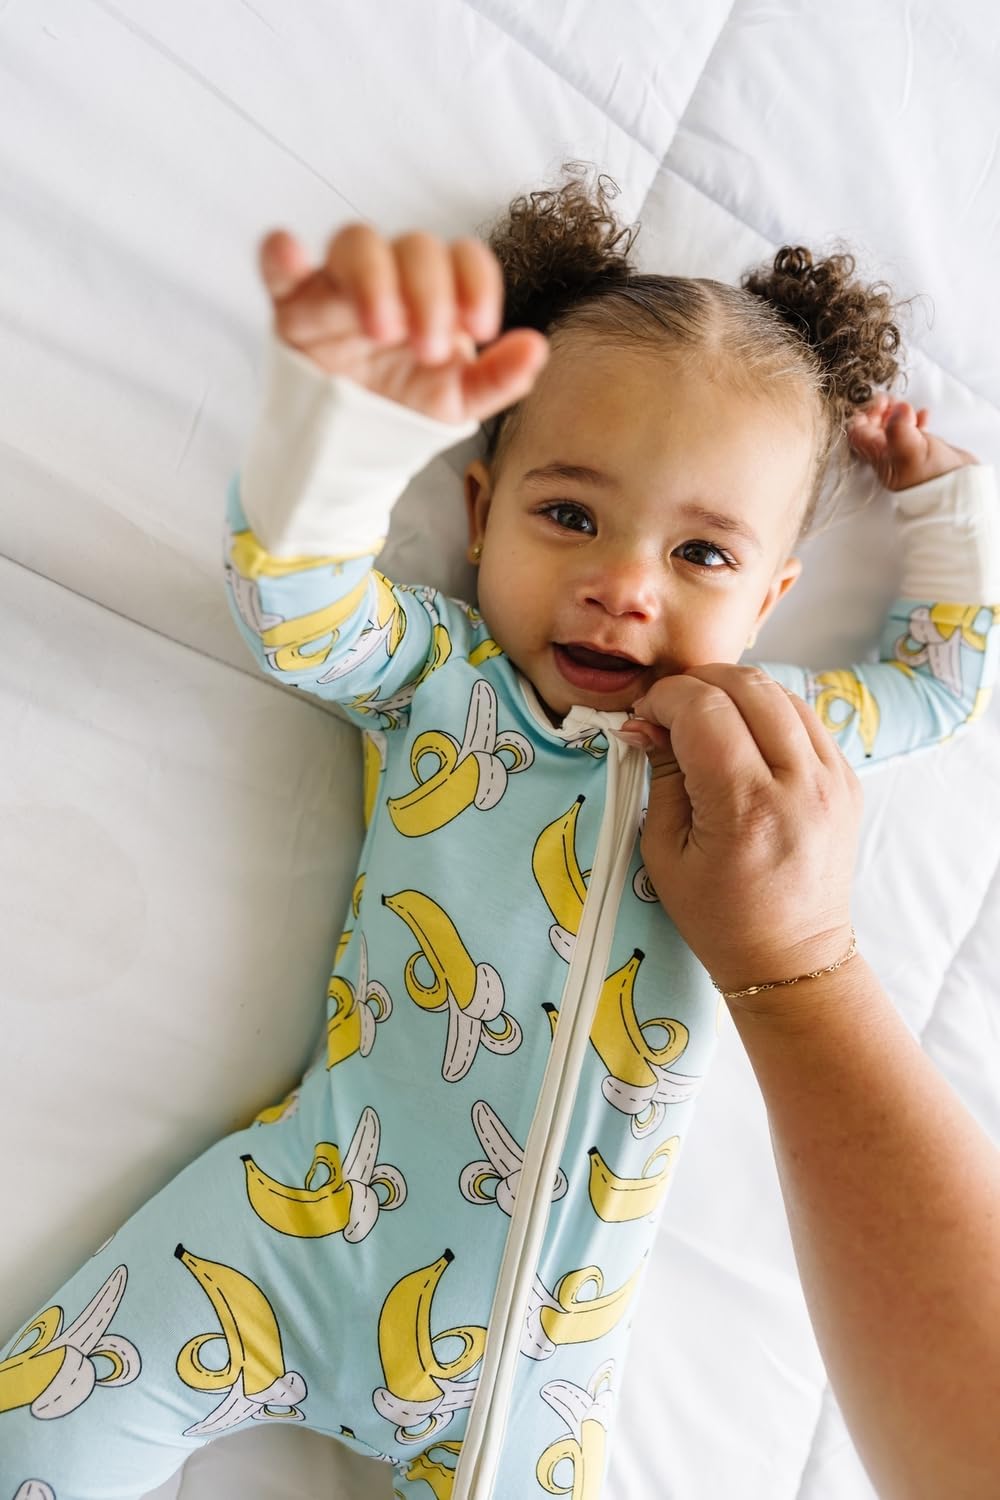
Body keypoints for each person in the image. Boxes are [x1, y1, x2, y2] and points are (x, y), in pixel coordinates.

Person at [3, 163, 998, 1500]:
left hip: (540, 1374)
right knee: (35, 1442)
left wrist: (946, 504)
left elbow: (941, 689)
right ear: (481, 518)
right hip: (296, 1232)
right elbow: (298, 605)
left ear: (770, 598)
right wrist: (345, 440)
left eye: (702, 556)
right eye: (569, 516)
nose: (623, 585)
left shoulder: (766, 745)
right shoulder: (443, 680)